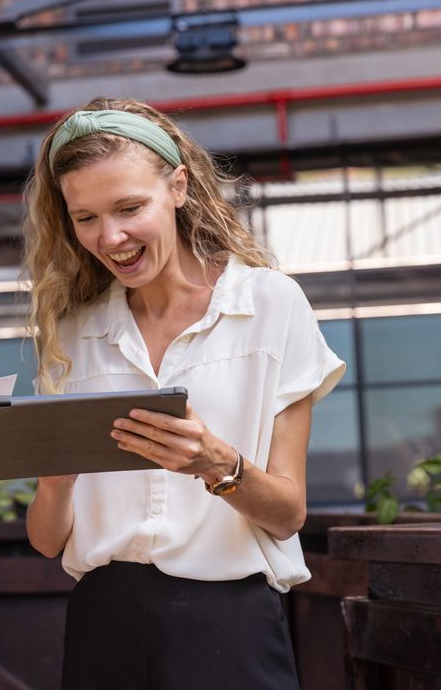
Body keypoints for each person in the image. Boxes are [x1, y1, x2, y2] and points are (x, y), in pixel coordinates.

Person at [22, 98, 345, 690]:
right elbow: (47, 541)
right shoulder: (73, 332)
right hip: (102, 624)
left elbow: (288, 514)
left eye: (129, 207)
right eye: (85, 217)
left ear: (178, 187)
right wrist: (54, 483)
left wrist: (214, 464)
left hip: (229, 625)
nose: (110, 236)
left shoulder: (269, 305)